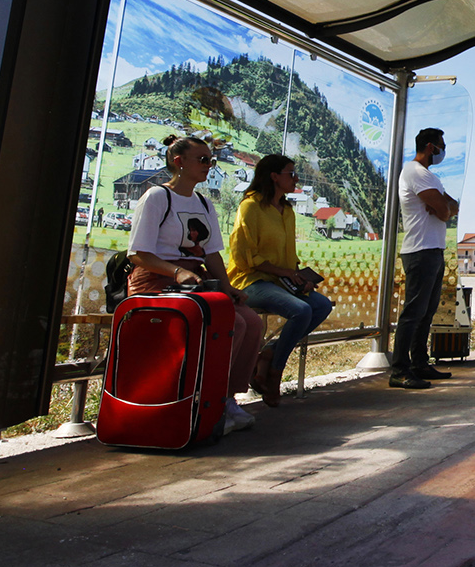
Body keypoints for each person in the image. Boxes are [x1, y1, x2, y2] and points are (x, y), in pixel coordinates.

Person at [127, 136, 265, 432]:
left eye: (211, 160)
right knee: (233, 325)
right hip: (157, 282)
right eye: (202, 159)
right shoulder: (156, 197)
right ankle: (205, 401)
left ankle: (226, 399)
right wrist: (176, 272)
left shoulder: (203, 202)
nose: (209, 165)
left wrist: (228, 288)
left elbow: (212, 253)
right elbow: (138, 253)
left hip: (194, 284)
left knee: (251, 322)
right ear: (179, 162)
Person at [226, 154, 334, 406]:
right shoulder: (250, 206)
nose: (296, 178)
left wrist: (298, 278)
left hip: (280, 281)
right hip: (250, 280)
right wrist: (283, 273)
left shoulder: (287, 211)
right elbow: (243, 256)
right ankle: (275, 372)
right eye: (291, 173)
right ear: (274, 176)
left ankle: (270, 354)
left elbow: (287, 257)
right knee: (301, 309)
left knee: (322, 305)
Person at [393, 127, 458, 388]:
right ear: (431, 147)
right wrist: (443, 207)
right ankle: (399, 369)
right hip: (420, 251)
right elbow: (444, 211)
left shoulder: (428, 176)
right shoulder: (416, 173)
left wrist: (444, 207)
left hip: (433, 250)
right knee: (414, 312)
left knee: (427, 311)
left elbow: (452, 205)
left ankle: (419, 362)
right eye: (442, 145)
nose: (443, 150)